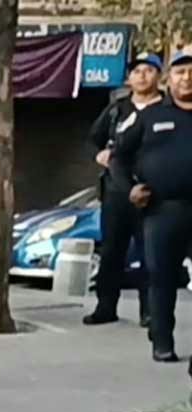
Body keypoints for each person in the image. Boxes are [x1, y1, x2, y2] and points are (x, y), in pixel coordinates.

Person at [113, 52, 192, 366]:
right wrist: (129, 188)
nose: (186, 78)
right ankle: (162, 341)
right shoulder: (149, 116)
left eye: (191, 72)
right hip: (163, 209)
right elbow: (118, 158)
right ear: (168, 80)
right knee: (161, 277)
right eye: (180, 72)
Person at [87, 53, 165, 326]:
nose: (142, 75)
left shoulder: (169, 108)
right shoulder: (116, 110)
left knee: (151, 254)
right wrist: (100, 154)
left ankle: (150, 311)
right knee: (111, 252)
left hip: (156, 192)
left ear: (159, 75)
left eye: (148, 70)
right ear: (129, 78)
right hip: (117, 193)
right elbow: (95, 140)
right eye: (136, 71)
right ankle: (105, 307)